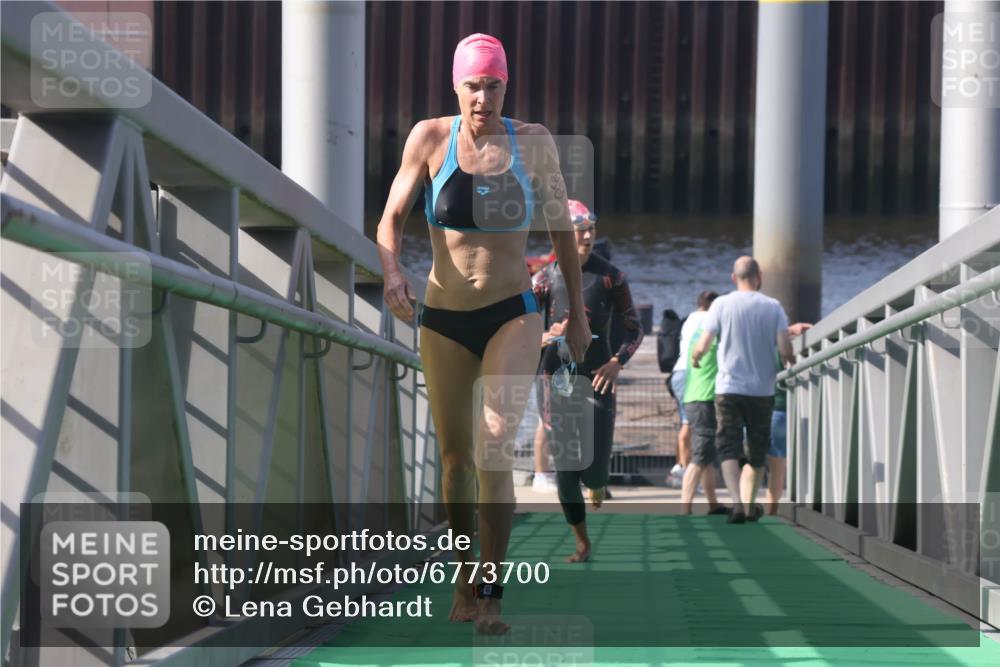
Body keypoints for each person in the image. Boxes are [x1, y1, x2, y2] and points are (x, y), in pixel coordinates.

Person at [376, 33, 591, 634]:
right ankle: (464, 573)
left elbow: (560, 235)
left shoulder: (535, 143)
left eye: (494, 84)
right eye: (473, 84)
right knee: (453, 462)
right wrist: (393, 272)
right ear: (456, 85)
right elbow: (390, 218)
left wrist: (577, 313)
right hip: (442, 317)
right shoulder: (429, 138)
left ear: (506, 86)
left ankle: (492, 592)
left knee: (495, 441)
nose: (483, 96)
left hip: (512, 312)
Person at [532, 199, 644, 562]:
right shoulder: (543, 279)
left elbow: (634, 328)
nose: (587, 235)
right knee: (565, 471)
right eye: (580, 229)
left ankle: (596, 485)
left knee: (595, 473)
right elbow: (518, 330)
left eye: (591, 228)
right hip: (557, 378)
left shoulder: (610, 276)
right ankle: (582, 541)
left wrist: (616, 362)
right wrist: (544, 336)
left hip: (598, 377)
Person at [691, 257, 794, 524]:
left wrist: (696, 356)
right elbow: (784, 349)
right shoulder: (773, 307)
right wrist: (791, 362)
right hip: (762, 390)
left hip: (728, 388)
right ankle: (749, 506)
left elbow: (704, 343)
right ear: (759, 276)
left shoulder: (721, 304)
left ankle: (737, 502)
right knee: (757, 451)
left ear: (733, 277)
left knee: (727, 446)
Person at [677, 292, 729, 515]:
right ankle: (685, 508)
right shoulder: (715, 336)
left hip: (694, 396)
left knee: (708, 456)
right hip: (703, 399)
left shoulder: (697, 331)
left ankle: (713, 504)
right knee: (699, 456)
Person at [669, 291, 718, 486]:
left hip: (678, 372)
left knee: (685, 421)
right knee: (691, 425)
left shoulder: (690, 318)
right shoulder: (708, 318)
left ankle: (680, 467)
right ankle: (684, 470)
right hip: (692, 372)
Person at [765, 321, 811, 515]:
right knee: (780, 463)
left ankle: (750, 507)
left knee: (759, 463)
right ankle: (772, 510)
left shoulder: (761, 347)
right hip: (785, 407)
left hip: (763, 406)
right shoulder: (788, 348)